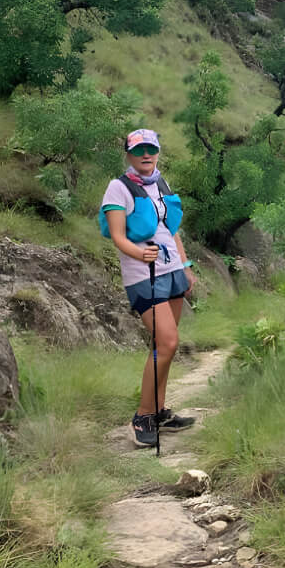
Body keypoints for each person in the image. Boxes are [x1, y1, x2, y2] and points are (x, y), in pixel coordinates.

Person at [100, 128, 197, 448]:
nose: (146, 154)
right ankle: (142, 416)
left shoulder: (161, 184)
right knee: (168, 342)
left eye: (151, 149)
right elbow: (118, 236)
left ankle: (159, 411)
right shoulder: (119, 188)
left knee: (162, 347)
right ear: (128, 154)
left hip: (172, 271)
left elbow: (171, 230)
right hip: (144, 276)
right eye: (139, 149)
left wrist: (185, 266)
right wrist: (140, 253)